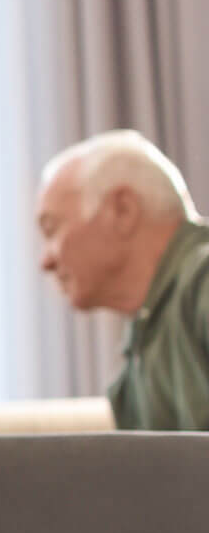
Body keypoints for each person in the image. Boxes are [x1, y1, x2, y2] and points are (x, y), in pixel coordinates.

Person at [37, 130, 209, 430]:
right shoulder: (133, 369)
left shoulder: (203, 280)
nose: (46, 262)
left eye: (52, 230)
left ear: (123, 210)